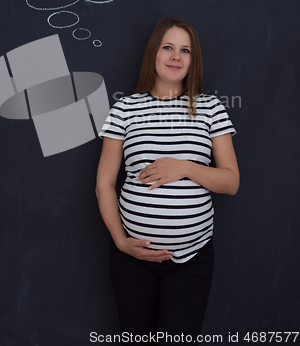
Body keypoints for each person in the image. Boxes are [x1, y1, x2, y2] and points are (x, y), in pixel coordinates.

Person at [95, 17, 239, 341]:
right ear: (154, 54)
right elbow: (104, 184)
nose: (176, 56)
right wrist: (120, 241)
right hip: (131, 259)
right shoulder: (125, 109)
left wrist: (185, 167)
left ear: (193, 59)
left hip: (192, 260)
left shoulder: (210, 108)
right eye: (168, 47)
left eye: (185, 50)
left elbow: (231, 182)